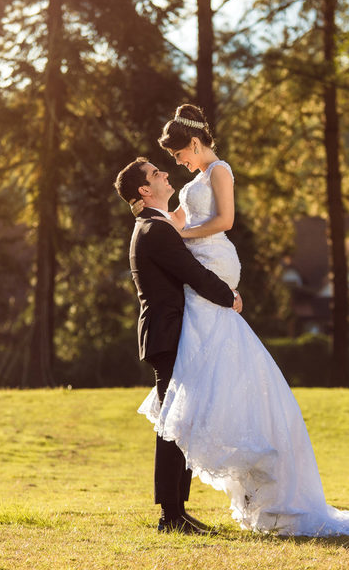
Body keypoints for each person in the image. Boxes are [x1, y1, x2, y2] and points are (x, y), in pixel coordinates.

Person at [135, 104, 349, 537]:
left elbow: (225, 220)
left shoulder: (220, 171)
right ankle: (179, 504)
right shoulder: (191, 186)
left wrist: (179, 236)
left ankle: (182, 505)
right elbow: (171, 221)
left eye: (179, 154)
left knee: (201, 369)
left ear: (194, 142)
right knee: (197, 380)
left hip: (211, 262)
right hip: (199, 273)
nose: (178, 162)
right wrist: (155, 221)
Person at [113, 156, 244, 535]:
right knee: (173, 423)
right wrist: (229, 296)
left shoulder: (155, 225)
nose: (166, 174)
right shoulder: (155, 229)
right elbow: (193, 273)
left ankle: (176, 512)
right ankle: (170, 515)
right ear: (144, 190)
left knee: (179, 422)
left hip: (169, 334)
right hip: (167, 335)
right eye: (156, 174)